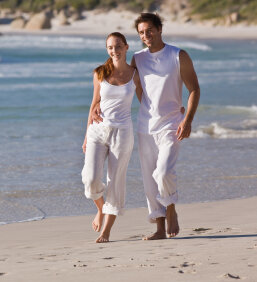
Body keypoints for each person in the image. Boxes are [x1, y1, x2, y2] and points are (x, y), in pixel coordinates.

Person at [93, 13, 200, 240]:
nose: (146, 36)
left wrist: (187, 119)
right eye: (141, 32)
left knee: (163, 172)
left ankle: (171, 208)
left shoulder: (178, 55)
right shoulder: (138, 58)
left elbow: (194, 90)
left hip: (172, 124)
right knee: (150, 181)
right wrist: (98, 106)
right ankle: (160, 229)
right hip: (145, 126)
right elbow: (131, 86)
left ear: (160, 29)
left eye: (149, 30)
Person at [81, 32, 143, 243]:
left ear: (126, 47)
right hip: (97, 131)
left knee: (115, 182)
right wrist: (85, 136)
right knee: (90, 179)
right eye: (110, 47)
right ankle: (100, 209)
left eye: (118, 46)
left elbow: (147, 102)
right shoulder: (99, 73)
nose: (114, 51)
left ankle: (106, 231)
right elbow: (93, 104)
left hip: (123, 133)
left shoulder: (136, 74)